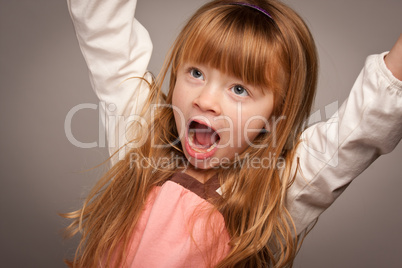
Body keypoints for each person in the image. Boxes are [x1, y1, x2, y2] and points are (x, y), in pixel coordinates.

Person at [64, 0, 402, 267]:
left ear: (275, 113)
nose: (205, 100)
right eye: (195, 72)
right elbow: (103, 33)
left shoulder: (276, 191)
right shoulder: (141, 136)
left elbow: (359, 129)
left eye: (239, 89)